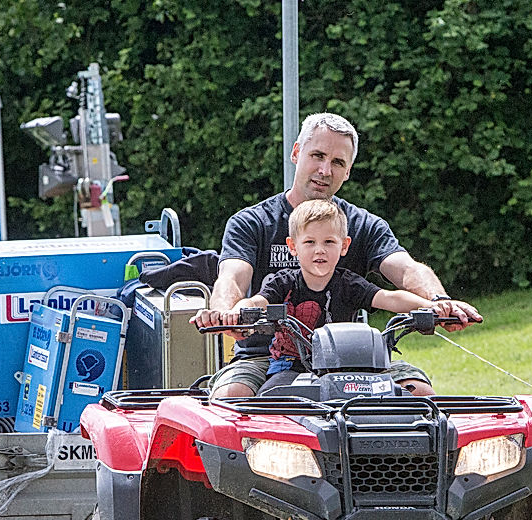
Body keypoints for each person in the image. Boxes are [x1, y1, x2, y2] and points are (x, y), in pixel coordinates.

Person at [191, 112, 482, 398]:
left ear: (348, 171)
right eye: (317, 155)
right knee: (232, 395)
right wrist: (224, 312)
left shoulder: (363, 224)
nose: (325, 170)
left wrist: (439, 303)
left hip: (351, 358)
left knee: (418, 394)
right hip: (264, 357)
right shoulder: (252, 222)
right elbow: (232, 276)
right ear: (296, 153)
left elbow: (405, 269)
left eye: (337, 162)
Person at [201, 199, 453, 394]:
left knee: (409, 395)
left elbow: (390, 298)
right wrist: (238, 311)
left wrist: (434, 307)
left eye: (329, 242)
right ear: (293, 247)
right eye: (309, 242)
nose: (319, 250)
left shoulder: (349, 283)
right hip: (290, 364)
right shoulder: (282, 281)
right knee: (272, 399)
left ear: (344, 246)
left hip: (348, 366)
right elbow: (256, 301)